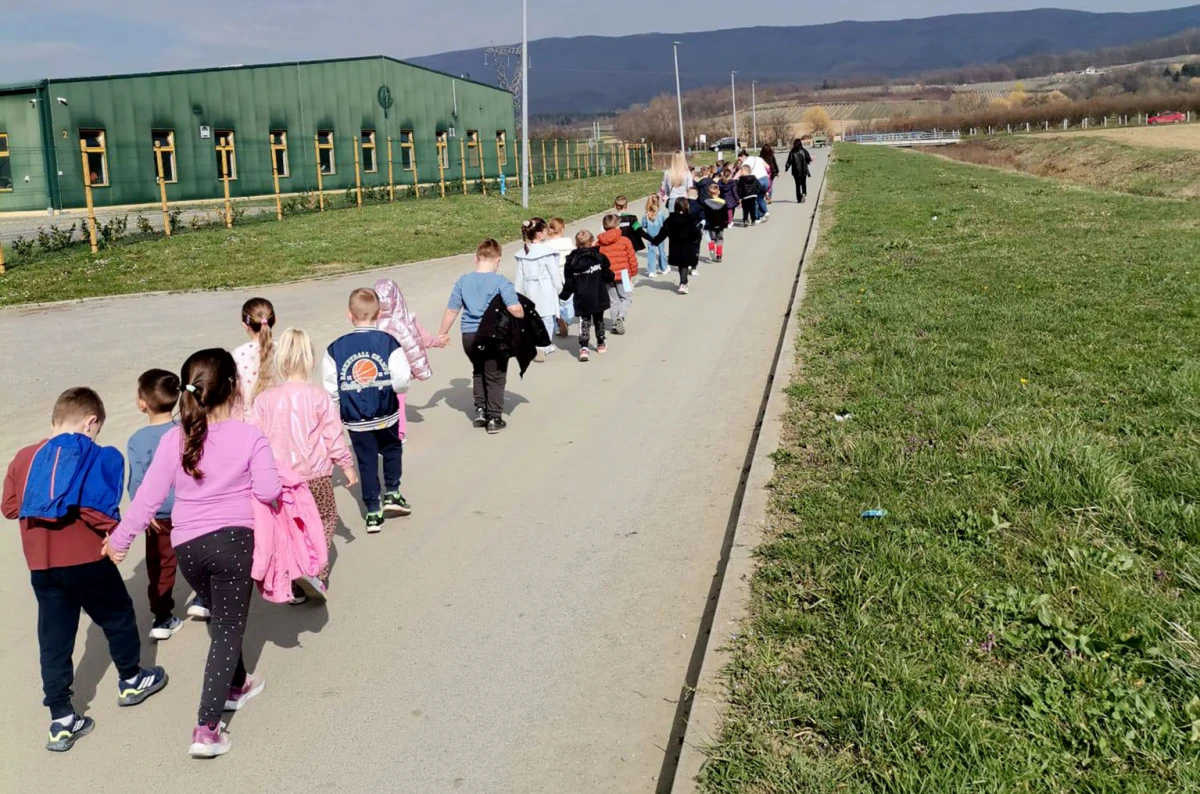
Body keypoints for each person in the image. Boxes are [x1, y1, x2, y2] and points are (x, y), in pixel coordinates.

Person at [105, 349, 279, 758]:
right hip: (234, 542)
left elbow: (147, 497)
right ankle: (206, 728)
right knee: (227, 629)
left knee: (223, 616)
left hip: (188, 547)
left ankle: (237, 684)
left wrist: (120, 539)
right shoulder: (249, 435)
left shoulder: (173, 437)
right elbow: (269, 491)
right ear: (233, 388)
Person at [4, 387, 169, 753]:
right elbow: (99, 512)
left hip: (41, 567)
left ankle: (61, 718)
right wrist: (117, 533)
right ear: (90, 421)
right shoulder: (92, 453)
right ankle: (130, 679)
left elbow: (10, 507)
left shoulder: (24, 457)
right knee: (117, 616)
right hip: (87, 560)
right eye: (97, 429)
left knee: (54, 639)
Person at [254, 329, 358, 599]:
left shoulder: (264, 400)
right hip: (316, 475)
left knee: (288, 527)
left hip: (280, 479)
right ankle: (314, 571)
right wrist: (345, 464)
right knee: (324, 519)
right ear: (310, 359)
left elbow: (255, 439)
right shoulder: (319, 396)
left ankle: (292, 580)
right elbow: (333, 435)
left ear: (279, 360)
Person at [323, 288, 413, 530]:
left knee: (366, 459)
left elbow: (330, 387)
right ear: (379, 314)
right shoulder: (388, 342)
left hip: (356, 417)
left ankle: (373, 510)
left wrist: (336, 410)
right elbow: (402, 378)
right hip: (386, 412)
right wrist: (395, 390)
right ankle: (392, 491)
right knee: (392, 448)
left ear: (349, 315)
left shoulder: (335, 348)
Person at [435, 239, 524, 434]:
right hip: (492, 336)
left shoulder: (463, 281)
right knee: (495, 375)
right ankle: (494, 417)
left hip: (469, 336)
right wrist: (523, 314)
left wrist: (442, 334)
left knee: (478, 370)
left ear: (476, 258)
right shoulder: (501, 282)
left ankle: (480, 410)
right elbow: (514, 309)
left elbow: (452, 310)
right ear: (498, 260)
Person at [127, 369, 187, 639]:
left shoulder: (138, 440)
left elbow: (137, 481)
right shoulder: (186, 429)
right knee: (197, 555)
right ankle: (205, 600)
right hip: (191, 507)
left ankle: (162, 616)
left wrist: (141, 510)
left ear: (142, 403)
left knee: (160, 565)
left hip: (157, 513)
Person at [375, 277, 437, 444]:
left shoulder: (373, 323)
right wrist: (422, 369)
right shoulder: (403, 323)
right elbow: (416, 343)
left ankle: (381, 430)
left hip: (379, 371)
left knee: (382, 401)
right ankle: (399, 432)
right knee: (400, 401)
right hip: (400, 371)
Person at [513, 217, 563, 361]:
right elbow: (554, 272)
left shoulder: (524, 252)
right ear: (540, 234)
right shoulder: (546, 251)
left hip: (530, 288)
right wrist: (559, 287)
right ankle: (544, 345)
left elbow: (519, 275)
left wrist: (517, 293)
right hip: (545, 288)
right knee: (547, 318)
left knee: (533, 318)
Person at [559, 230, 613, 362]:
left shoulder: (571, 261)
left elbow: (569, 282)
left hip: (582, 296)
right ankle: (600, 343)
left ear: (577, 244)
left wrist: (563, 296)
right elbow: (607, 274)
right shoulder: (599, 258)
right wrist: (611, 277)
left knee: (584, 321)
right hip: (598, 293)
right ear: (591, 242)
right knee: (599, 319)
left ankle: (584, 348)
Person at [232, 298, 277, 421]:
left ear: (245, 326)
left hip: (249, 422)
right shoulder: (283, 351)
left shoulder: (237, 355)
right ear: (275, 320)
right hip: (281, 421)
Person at [647, 198, 703, 295]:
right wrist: (697, 237)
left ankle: (683, 281)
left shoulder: (670, 220)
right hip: (688, 246)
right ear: (686, 207)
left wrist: (655, 241)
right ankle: (683, 282)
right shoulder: (690, 219)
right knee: (684, 264)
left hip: (675, 246)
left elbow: (663, 233)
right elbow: (696, 234)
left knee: (681, 265)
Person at [597, 213, 637, 335]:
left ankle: (615, 323)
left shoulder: (599, 243)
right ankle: (621, 315)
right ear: (618, 226)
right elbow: (631, 257)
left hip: (607, 275)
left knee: (613, 300)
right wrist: (633, 271)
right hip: (624, 273)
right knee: (627, 297)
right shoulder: (625, 240)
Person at [545, 218, 575, 337]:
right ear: (562, 230)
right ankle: (566, 319)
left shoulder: (546, 246)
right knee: (568, 301)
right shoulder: (569, 245)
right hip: (566, 277)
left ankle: (557, 324)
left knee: (553, 303)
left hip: (551, 278)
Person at [739, 149, 771, 221]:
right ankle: (765, 212)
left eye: (740, 159)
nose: (740, 161)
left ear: (743, 156)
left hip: (757, 180)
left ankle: (757, 218)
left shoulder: (745, 162)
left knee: (754, 200)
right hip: (765, 179)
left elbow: (740, 172)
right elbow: (768, 167)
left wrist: (734, 178)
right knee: (761, 197)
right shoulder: (758, 158)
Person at [702, 183, 729, 263]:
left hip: (710, 224)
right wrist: (726, 222)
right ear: (718, 192)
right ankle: (719, 255)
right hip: (720, 224)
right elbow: (725, 214)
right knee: (720, 239)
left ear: (709, 193)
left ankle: (711, 247)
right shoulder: (723, 202)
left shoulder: (706, 202)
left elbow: (705, 214)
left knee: (712, 239)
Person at [643, 195, 668, 277]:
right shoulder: (660, 213)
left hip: (650, 236)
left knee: (651, 252)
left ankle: (651, 271)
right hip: (660, 235)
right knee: (661, 251)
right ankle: (664, 268)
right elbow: (664, 223)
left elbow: (644, 225)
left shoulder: (646, 215)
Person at [786, 138, 813, 203]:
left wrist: (786, 168)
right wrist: (809, 160)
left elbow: (789, 161)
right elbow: (808, 159)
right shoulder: (804, 151)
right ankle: (804, 193)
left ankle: (799, 198)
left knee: (797, 185)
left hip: (796, 172)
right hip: (803, 170)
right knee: (803, 183)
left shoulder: (792, 152)